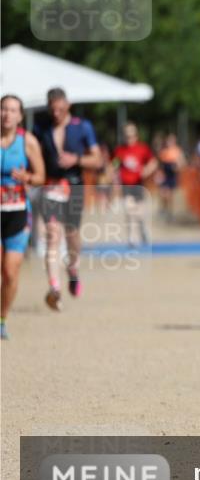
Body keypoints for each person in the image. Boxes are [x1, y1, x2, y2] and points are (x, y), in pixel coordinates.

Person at [32, 87, 103, 310]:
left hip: (74, 186)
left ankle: (73, 268)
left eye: (60, 109)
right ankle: (54, 289)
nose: (56, 114)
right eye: (52, 109)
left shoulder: (82, 127)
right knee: (52, 235)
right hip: (51, 186)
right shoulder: (40, 127)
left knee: (72, 234)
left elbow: (97, 159)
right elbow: (33, 154)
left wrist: (77, 159)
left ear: (67, 105)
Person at [1, 95, 46, 340]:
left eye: (12, 110)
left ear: (20, 116)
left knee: (10, 271)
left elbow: (41, 176)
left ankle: (2, 318)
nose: (7, 114)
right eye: (4, 109)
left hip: (17, 211)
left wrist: (27, 177)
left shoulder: (28, 142)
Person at [113, 122, 158, 247]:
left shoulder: (142, 148)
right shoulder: (120, 150)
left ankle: (143, 230)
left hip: (139, 184)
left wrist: (146, 171)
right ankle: (132, 238)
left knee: (140, 213)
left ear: (136, 136)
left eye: (132, 135)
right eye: (127, 136)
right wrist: (114, 176)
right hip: (126, 185)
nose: (129, 138)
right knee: (129, 211)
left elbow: (153, 162)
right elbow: (115, 165)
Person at [156, 132, 185, 221]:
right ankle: (164, 208)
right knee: (162, 193)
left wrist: (177, 167)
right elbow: (159, 164)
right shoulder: (163, 151)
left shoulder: (177, 151)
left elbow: (182, 163)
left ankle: (170, 212)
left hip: (172, 175)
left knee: (169, 195)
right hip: (164, 174)